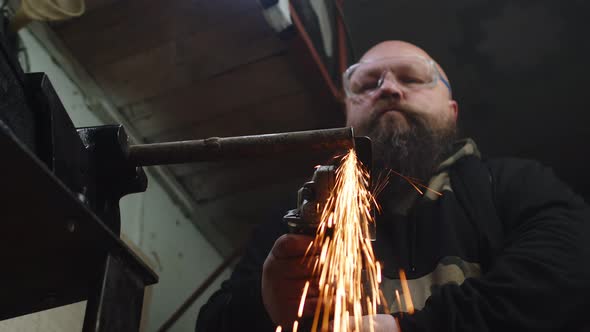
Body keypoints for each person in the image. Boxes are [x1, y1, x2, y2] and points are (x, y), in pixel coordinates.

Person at [195, 41, 590, 331]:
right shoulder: (301, 216)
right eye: (367, 83)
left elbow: (564, 280)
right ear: (348, 112)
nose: (387, 88)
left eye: (411, 78)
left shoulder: (514, 184)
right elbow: (213, 323)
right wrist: (262, 306)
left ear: (451, 112)